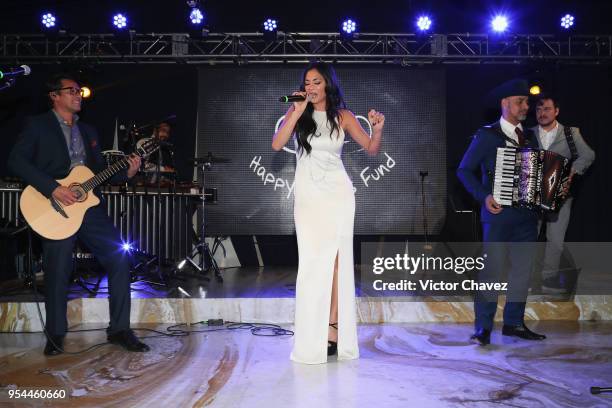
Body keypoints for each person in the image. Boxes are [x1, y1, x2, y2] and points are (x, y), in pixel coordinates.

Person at [7, 73, 150, 355]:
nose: (78, 95)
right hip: (54, 208)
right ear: (55, 96)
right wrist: (52, 189)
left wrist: (127, 173)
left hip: (89, 210)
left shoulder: (89, 131)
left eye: (79, 91)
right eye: (71, 91)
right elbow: (15, 161)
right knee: (58, 271)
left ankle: (120, 329)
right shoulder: (37, 126)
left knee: (120, 260)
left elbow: (96, 173)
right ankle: (56, 334)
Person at [272, 62, 384, 363]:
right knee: (312, 263)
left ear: (327, 85)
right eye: (307, 82)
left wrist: (378, 128)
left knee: (336, 262)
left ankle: (333, 329)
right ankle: (311, 331)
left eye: (316, 82)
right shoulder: (296, 113)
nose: (310, 87)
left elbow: (371, 149)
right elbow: (277, 143)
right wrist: (295, 112)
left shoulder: (343, 116)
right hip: (308, 197)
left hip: (338, 195)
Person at [457, 79, 546, 346]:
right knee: (491, 272)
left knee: (522, 271)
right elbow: (464, 170)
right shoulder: (488, 135)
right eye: (520, 101)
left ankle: (514, 323)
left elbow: (537, 171)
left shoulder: (530, 136)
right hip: (497, 215)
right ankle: (483, 327)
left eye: (526, 102)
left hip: (527, 216)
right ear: (504, 103)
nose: (525, 107)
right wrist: (483, 196)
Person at [531, 94, 595, 293]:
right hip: (532, 194)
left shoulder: (570, 133)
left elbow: (588, 155)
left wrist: (572, 171)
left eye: (547, 109)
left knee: (555, 241)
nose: (542, 113)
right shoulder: (528, 132)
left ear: (556, 111)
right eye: (539, 110)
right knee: (528, 237)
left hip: (561, 195)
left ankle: (547, 279)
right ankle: (528, 278)